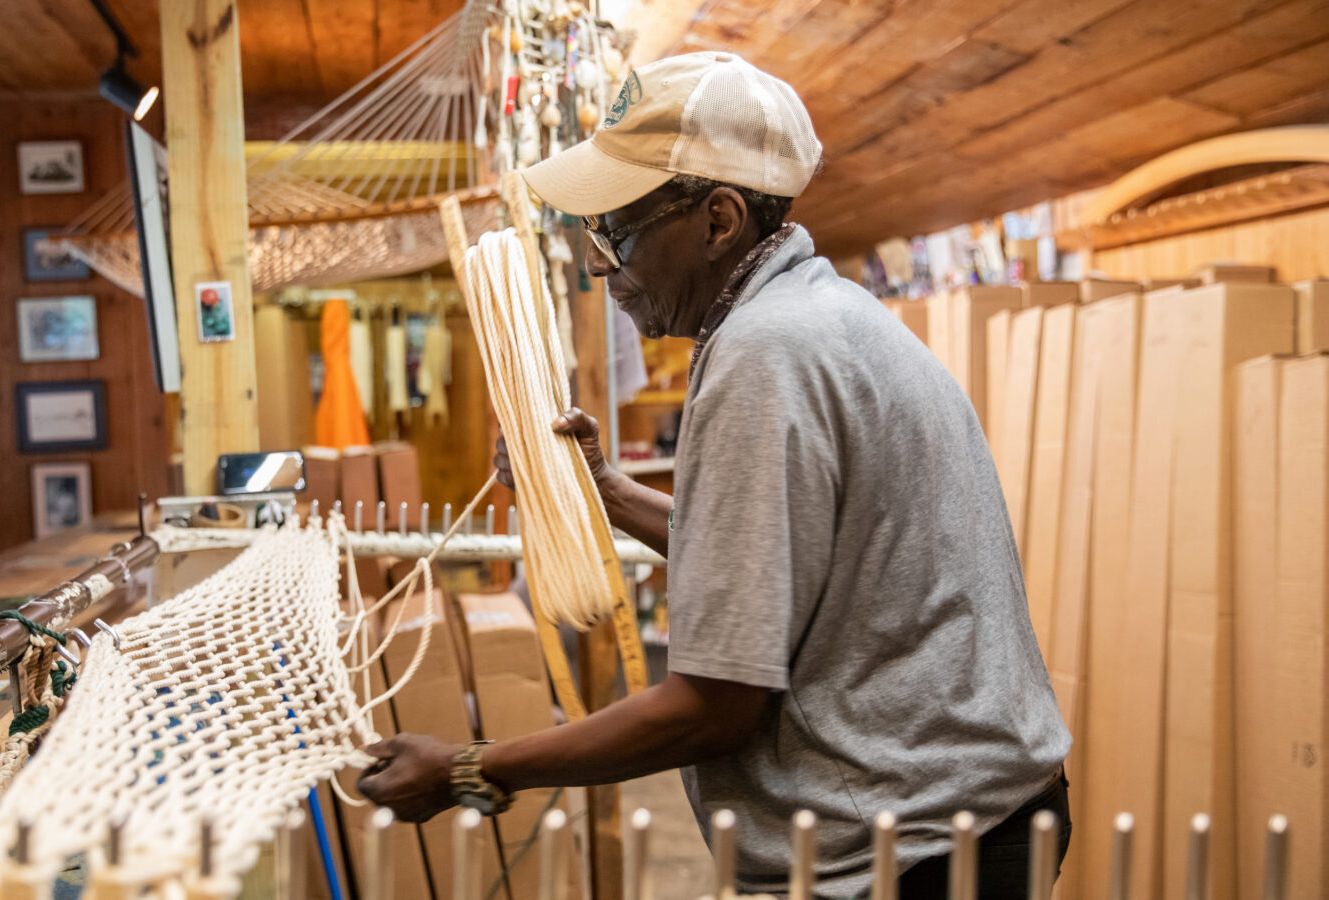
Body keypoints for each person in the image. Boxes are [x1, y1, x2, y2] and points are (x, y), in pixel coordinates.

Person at [357, 51, 1071, 898]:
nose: (597, 266)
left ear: (719, 220)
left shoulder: (762, 356)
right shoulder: (821, 316)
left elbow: (712, 706)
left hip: (912, 847)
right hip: (972, 816)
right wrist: (606, 491)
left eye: (614, 234)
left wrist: (472, 768)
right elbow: (783, 563)